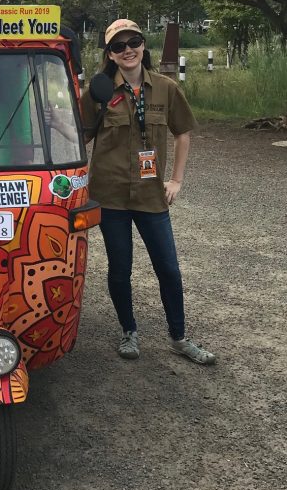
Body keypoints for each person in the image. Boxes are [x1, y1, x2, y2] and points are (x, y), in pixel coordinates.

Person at [80, 18, 215, 364]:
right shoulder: (99, 91)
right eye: (118, 46)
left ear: (144, 45)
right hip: (110, 195)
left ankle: (179, 337)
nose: (128, 50)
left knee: (168, 268)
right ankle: (129, 332)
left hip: (151, 195)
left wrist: (177, 180)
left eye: (134, 42)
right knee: (119, 267)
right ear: (109, 54)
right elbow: (79, 139)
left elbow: (183, 132)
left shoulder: (166, 88)